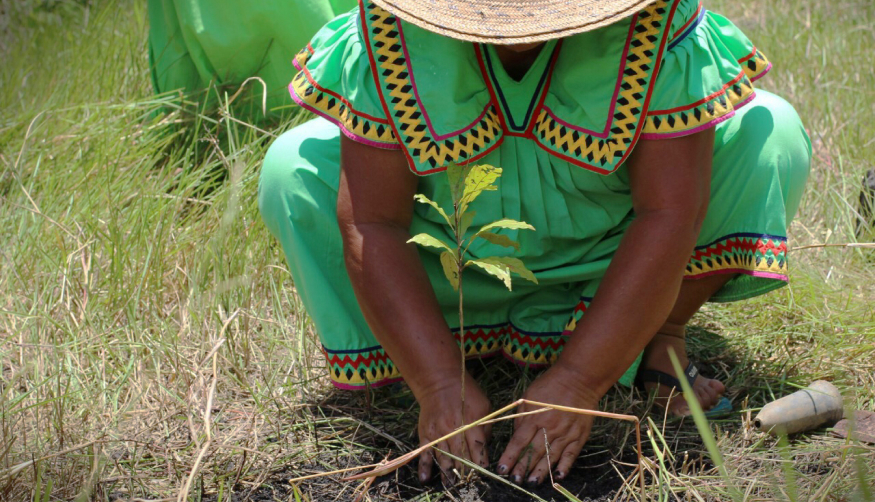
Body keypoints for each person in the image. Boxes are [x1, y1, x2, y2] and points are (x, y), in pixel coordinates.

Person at [258, 0, 811, 486]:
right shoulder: (390, 28)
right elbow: (374, 223)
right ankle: (425, 352)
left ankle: (657, 334)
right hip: (449, 268)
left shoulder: (657, 24)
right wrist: (436, 380)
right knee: (293, 170)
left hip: (613, 260)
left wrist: (579, 381)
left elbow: (669, 214)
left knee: (770, 134)